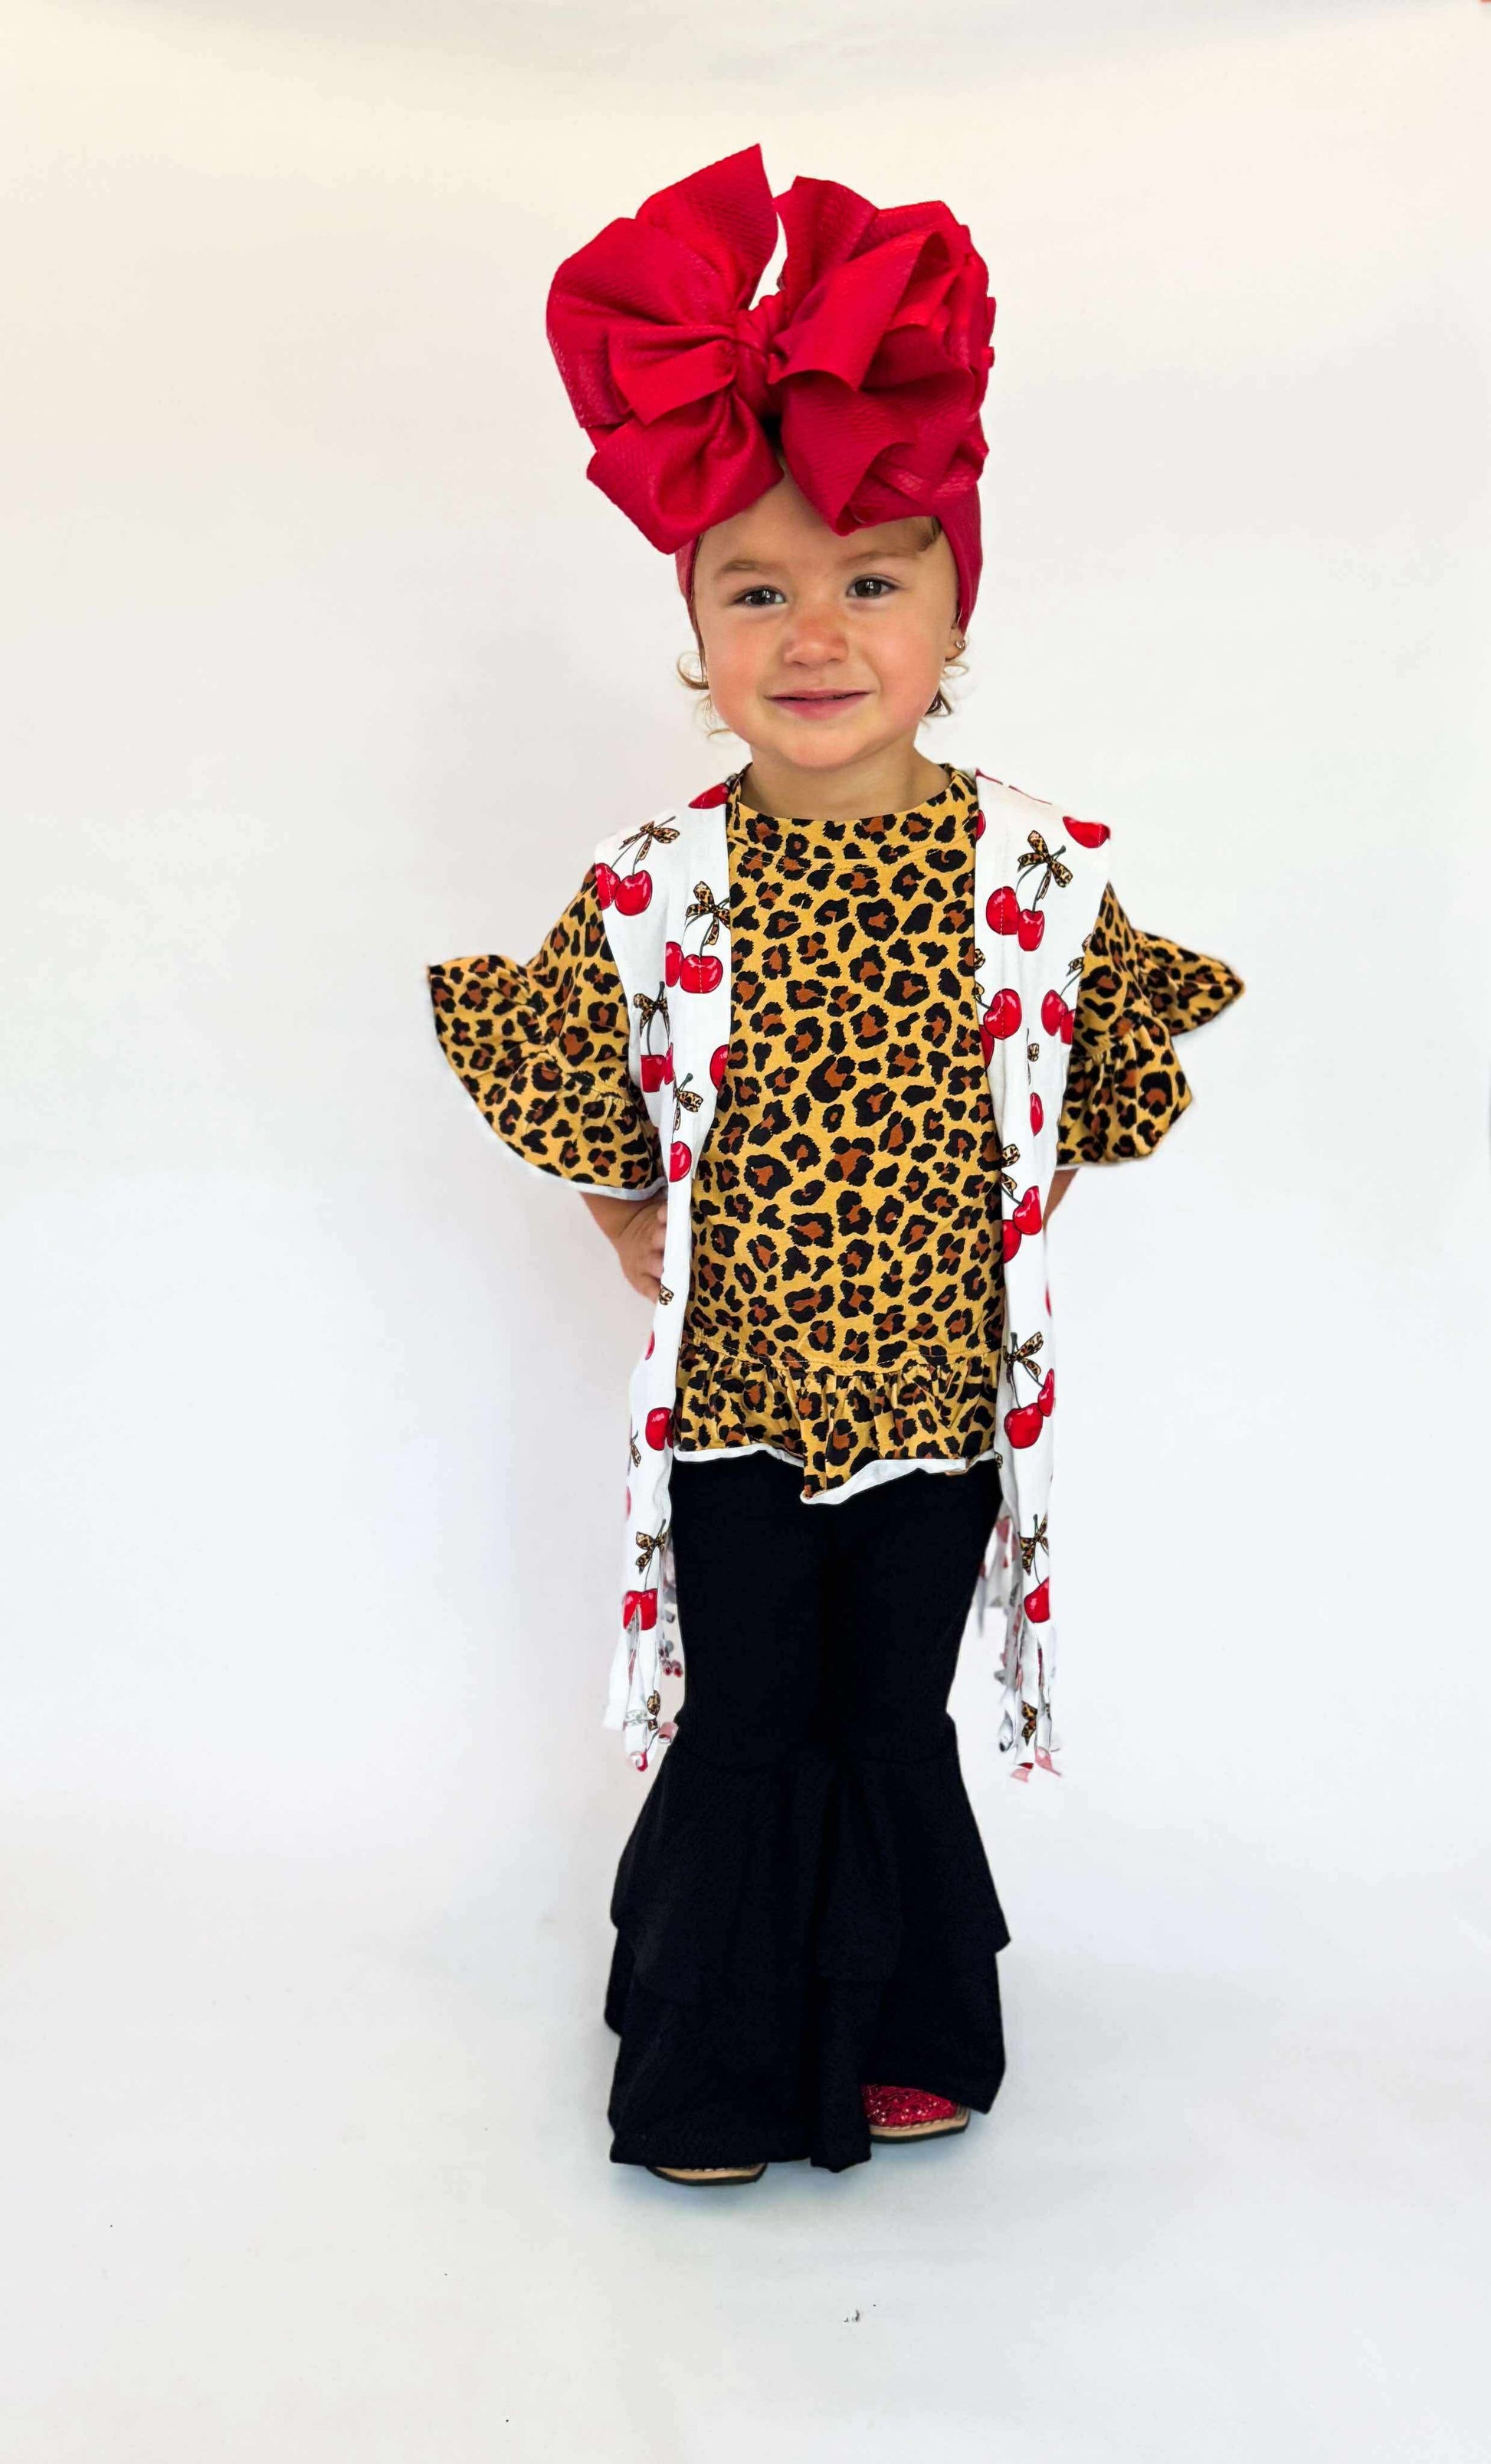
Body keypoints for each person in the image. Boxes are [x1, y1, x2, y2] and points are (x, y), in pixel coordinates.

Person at [425, 146, 1244, 2187]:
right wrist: (628, 1209)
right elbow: (576, 1071)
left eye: (870, 580)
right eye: (756, 590)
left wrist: (1008, 1206)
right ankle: (711, 2063)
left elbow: (1084, 1081)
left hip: (938, 1402)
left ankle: (898, 2021)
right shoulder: (655, 880)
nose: (814, 633)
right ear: (693, 627)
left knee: (888, 1716)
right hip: (734, 1398)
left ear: (956, 606)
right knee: (747, 1714)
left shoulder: (1032, 870)